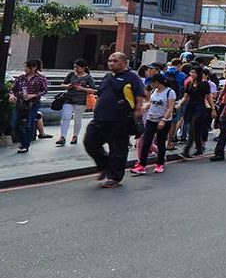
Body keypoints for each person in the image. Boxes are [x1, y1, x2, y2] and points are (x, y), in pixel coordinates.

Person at [84, 53, 146, 187]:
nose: (111, 63)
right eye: (109, 60)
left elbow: (140, 97)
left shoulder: (132, 77)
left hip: (120, 119)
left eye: (115, 61)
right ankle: (105, 165)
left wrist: (137, 112)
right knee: (90, 142)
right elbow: (101, 94)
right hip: (100, 118)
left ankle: (115, 177)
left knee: (118, 149)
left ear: (124, 62)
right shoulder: (107, 77)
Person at [132, 74, 177, 175]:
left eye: (152, 82)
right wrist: (145, 107)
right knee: (146, 142)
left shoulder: (170, 92)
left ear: (157, 82)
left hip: (163, 120)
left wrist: (164, 120)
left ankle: (160, 163)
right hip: (151, 119)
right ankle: (142, 165)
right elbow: (151, 103)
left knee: (161, 143)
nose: (151, 84)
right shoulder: (154, 91)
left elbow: (170, 108)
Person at [10, 59, 49, 153]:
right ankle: (23, 141)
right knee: (14, 123)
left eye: (27, 67)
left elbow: (44, 90)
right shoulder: (21, 78)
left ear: (34, 68)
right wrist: (12, 95)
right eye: (25, 67)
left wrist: (34, 95)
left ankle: (25, 145)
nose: (25, 69)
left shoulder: (40, 78)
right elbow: (13, 89)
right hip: (20, 103)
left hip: (33, 103)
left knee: (29, 125)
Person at [57, 59, 96, 147]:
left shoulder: (88, 77)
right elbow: (63, 84)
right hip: (69, 98)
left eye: (77, 67)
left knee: (77, 119)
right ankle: (62, 137)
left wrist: (82, 88)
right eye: (75, 67)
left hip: (81, 101)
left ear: (83, 68)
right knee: (66, 116)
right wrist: (67, 86)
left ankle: (75, 136)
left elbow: (93, 90)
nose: (75, 69)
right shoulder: (71, 74)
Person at [180, 67, 214, 158]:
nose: (192, 74)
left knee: (192, 128)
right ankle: (199, 149)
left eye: (194, 72)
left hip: (200, 108)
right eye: (191, 72)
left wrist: (213, 109)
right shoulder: (189, 84)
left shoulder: (204, 84)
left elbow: (209, 97)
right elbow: (185, 96)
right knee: (197, 130)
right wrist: (179, 104)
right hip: (190, 107)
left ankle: (186, 150)